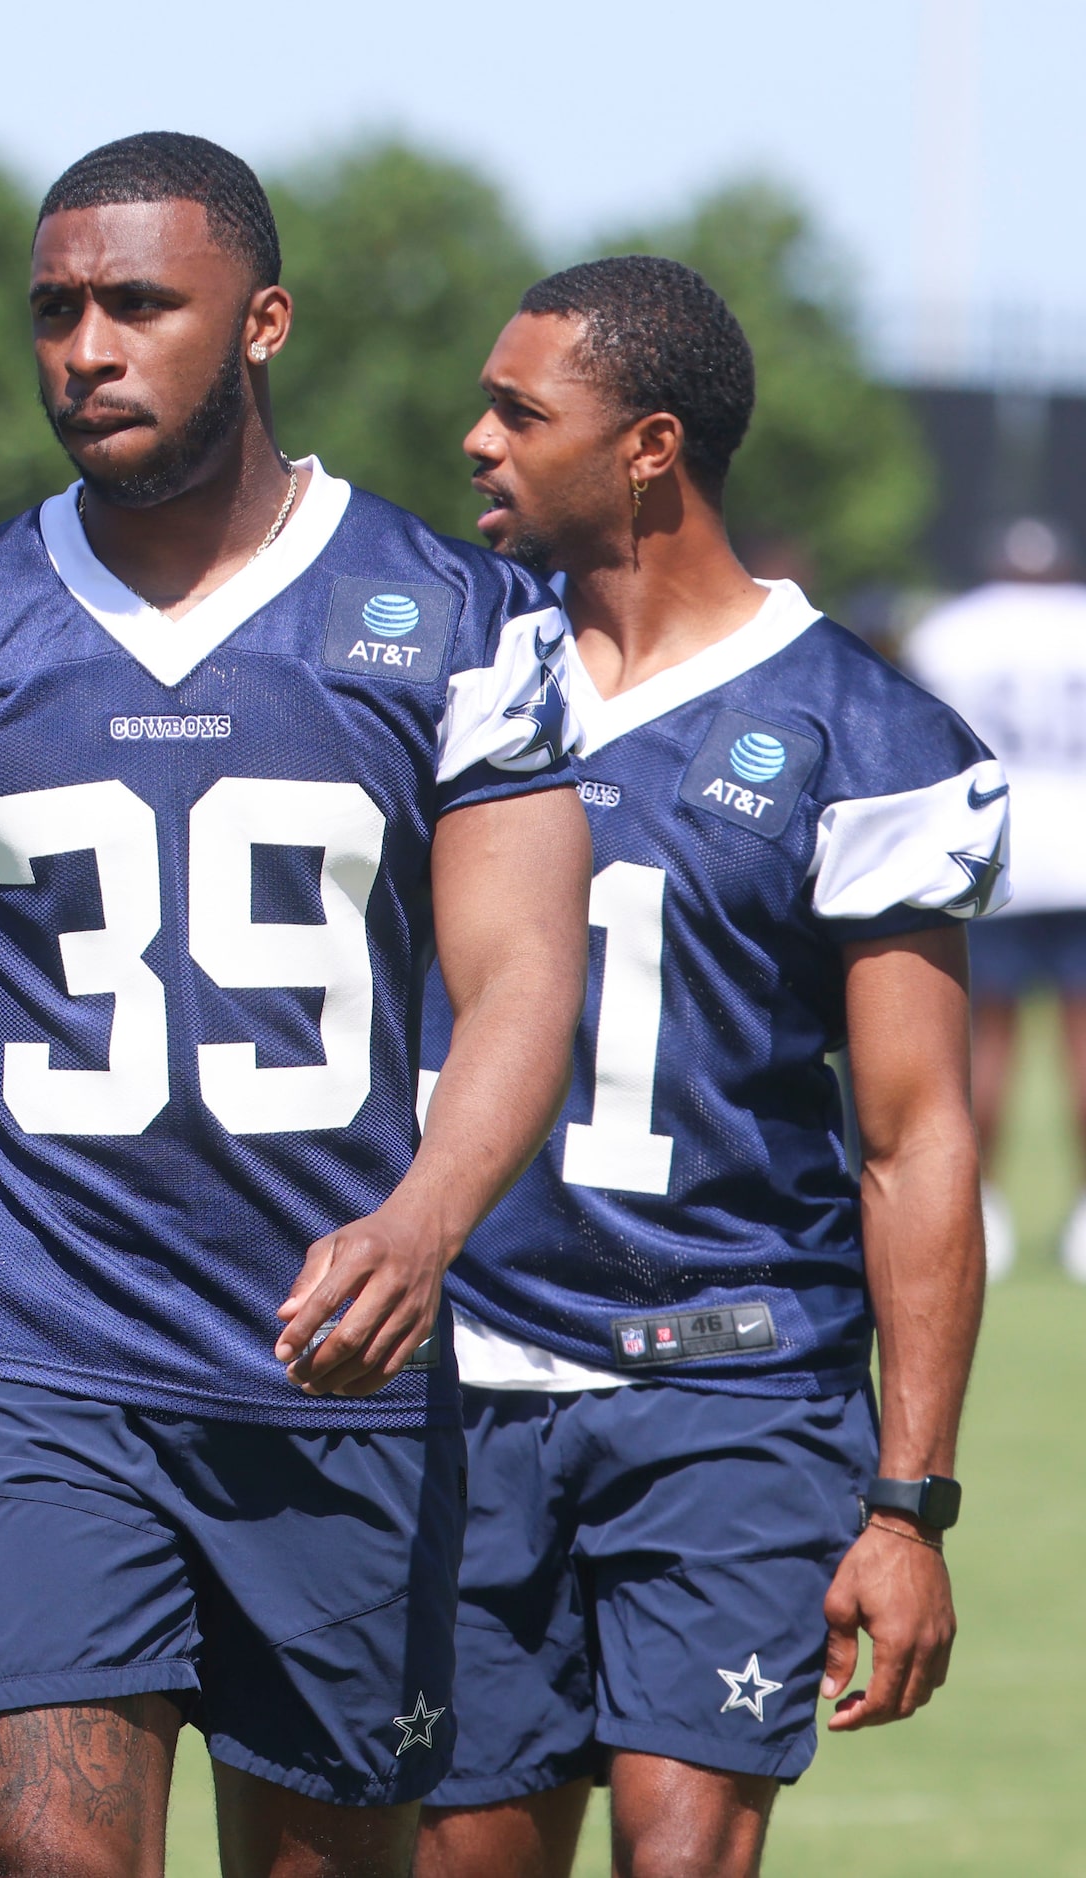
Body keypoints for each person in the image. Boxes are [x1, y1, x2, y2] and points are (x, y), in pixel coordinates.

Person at [0, 131, 592, 1878]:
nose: (87, 346)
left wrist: (423, 1222)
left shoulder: (455, 618)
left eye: (139, 303)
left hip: (331, 1371)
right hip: (39, 1366)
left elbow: (523, 972)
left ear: (263, 320)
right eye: (55, 308)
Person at [415, 259, 998, 1878]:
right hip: (466, 1380)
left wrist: (908, 1501)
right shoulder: (443, 675)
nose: (476, 440)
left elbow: (915, 1135)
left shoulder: (862, 735)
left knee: (682, 1854)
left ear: (650, 445)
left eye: (520, 413)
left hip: (734, 1379)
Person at [902, 516, 1086, 1281]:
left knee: (985, 1042)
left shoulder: (951, 629)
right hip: (1080, 851)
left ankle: (983, 1204)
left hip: (991, 851)